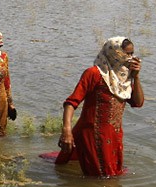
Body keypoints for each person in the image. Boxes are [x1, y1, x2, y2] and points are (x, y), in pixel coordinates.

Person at [54, 36, 144, 177]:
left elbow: (138, 103)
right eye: (127, 54)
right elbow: (71, 103)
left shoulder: (123, 77)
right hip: (93, 135)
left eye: (132, 53)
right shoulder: (94, 73)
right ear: (114, 53)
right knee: (101, 181)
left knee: (112, 177)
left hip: (114, 136)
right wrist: (67, 130)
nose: (131, 58)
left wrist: (136, 77)